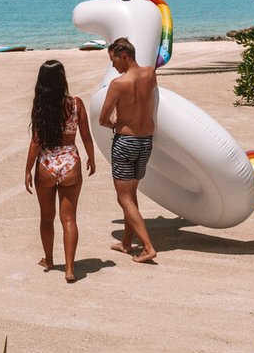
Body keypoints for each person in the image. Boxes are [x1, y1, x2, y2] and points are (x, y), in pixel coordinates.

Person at [24, 59, 95, 282]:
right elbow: (85, 136)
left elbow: (36, 142)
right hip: (70, 162)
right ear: (63, 79)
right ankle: (70, 269)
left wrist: (27, 170)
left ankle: (49, 259)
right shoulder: (76, 104)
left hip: (46, 163)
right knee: (69, 219)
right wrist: (92, 158)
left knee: (47, 218)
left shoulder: (41, 106)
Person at [99, 36, 158, 263]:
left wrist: (114, 123)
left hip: (126, 143)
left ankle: (147, 246)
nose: (113, 66)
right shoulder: (150, 74)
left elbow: (103, 118)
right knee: (131, 195)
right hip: (146, 142)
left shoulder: (118, 84)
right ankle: (126, 242)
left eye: (114, 60)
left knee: (123, 198)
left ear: (124, 55)